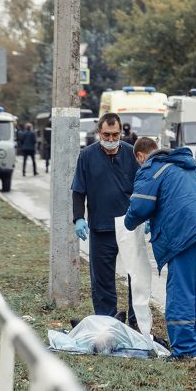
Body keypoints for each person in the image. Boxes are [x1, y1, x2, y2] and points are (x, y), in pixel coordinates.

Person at [125, 137, 196, 360]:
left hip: (184, 233)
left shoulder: (151, 168)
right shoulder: (184, 165)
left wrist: (128, 222)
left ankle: (184, 350)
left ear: (140, 157)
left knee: (181, 291)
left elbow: (139, 207)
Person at [72, 113, 140, 320]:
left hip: (130, 226)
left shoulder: (131, 154)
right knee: (102, 280)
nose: (111, 140)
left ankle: (137, 322)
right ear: (98, 132)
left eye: (115, 135)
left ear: (121, 133)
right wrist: (78, 218)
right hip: (101, 227)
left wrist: (148, 217)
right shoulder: (87, 156)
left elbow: (144, 187)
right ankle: (106, 320)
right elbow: (78, 190)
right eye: (107, 135)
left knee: (136, 278)